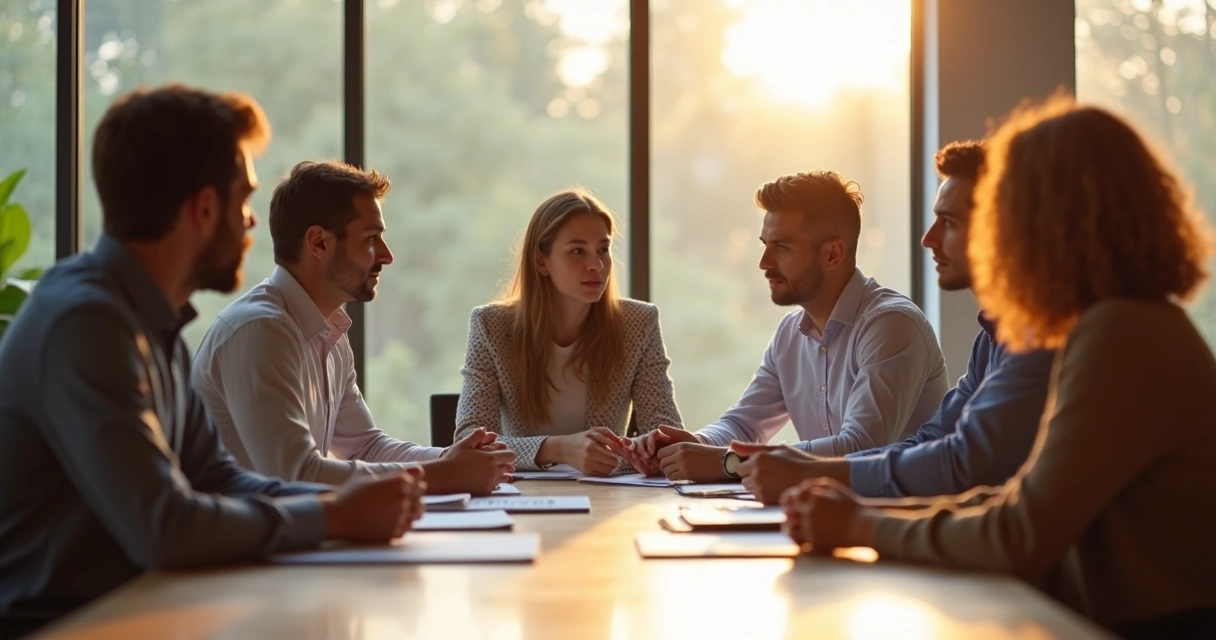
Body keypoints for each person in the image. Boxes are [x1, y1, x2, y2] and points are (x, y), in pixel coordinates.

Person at [781, 98, 1216, 639]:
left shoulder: (1120, 332)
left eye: (1007, 210)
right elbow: (1011, 499)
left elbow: (1018, 530)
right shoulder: (1111, 323)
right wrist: (853, 511)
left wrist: (856, 523)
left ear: (1047, 221)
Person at [0, 86, 424, 635]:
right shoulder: (85, 325)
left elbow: (217, 476)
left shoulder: (151, 320)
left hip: (148, 613)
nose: (252, 223)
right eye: (243, 199)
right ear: (204, 208)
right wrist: (331, 513)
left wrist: (347, 498)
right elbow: (166, 524)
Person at [733, 141, 1055, 504]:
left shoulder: (1041, 337)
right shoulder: (993, 338)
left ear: (1001, 229)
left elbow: (963, 462)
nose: (928, 238)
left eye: (948, 222)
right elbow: (932, 440)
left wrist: (809, 475)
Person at [192, 160, 515, 495]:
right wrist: (444, 475)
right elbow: (294, 473)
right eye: (371, 239)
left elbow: (365, 447)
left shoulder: (326, 328)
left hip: (285, 535)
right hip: (240, 543)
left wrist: (451, 459)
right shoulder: (260, 330)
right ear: (318, 243)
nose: (387, 256)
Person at [631, 171, 948, 482]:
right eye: (764, 244)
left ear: (832, 254)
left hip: (899, 523)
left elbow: (862, 447)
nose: (764, 262)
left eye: (781, 246)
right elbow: (743, 425)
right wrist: (695, 445)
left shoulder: (891, 325)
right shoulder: (790, 333)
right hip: (828, 515)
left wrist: (728, 463)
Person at [454, 189, 682, 476]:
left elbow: (670, 438)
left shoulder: (638, 323)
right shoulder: (491, 327)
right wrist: (559, 449)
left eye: (603, 249)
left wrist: (645, 448)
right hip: (522, 500)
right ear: (541, 261)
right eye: (577, 251)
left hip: (609, 498)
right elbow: (469, 441)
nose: (596, 265)